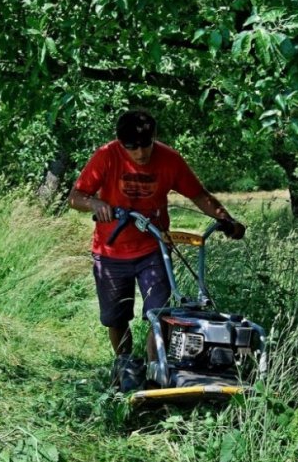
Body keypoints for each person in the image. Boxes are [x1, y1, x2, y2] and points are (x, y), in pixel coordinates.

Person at [68, 109, 245, 391]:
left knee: (158, 313)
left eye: (145, 144)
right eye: (132, 147)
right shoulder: (106, 156)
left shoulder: (170, 159)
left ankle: (155, 371)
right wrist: (96, 204)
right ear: (120, 143)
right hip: (111, 251)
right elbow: (75, 197)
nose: (139, 153)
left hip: (154, 247)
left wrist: (227, 219)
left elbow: (198, 194)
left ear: (155, 138)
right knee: (116, 317)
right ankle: (124, 364)